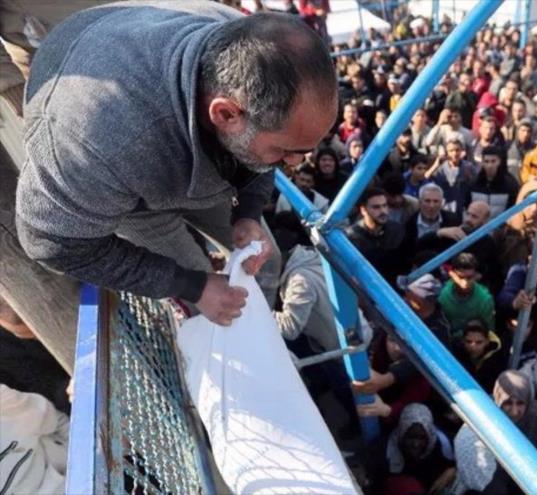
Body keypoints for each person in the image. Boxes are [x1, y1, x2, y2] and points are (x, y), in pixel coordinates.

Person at [16, 8, 338, 326]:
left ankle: (257, 330)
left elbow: (268, 142)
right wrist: (192, 285)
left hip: (177, 145)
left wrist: (248, 213)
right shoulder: (94, 143)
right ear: (225, 114)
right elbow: (50, 242)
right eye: (285, 151)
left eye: (304, 150)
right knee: (210, 304)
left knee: (265, 263)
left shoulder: (251, 46)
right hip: (130, 188)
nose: (297, 164)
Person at [382, 403, 456, 494]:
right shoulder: (386, 451)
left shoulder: (444, 445)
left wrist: (452, 471)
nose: (416, 444)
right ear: (402, 433)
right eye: (411, 437)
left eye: (422, 438)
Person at [345, 188, 407, 282]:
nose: (383, 211)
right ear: (363, 210)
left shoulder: (397, 230)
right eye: (376, 207)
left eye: (384, 206)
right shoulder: (352, 237)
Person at [438, 253, 495, 338]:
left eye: (469, 278)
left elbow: (488, 333)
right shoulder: (441, 294)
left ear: (476, 276)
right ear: (452, 274)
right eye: (460, 277)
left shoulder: (485, 300)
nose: (464, 284)